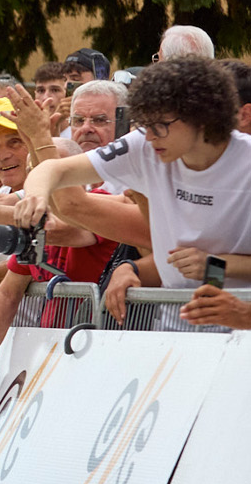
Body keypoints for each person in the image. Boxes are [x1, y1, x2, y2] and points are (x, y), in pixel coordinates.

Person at [16, 57, 251, 306]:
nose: (148, 137)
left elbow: (207, 268)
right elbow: (55, 170)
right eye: (145, 124)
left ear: (202, 117)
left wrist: (216, 266)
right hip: (176, 315)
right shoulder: (145, 144)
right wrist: (36, 196)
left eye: (160, 125)